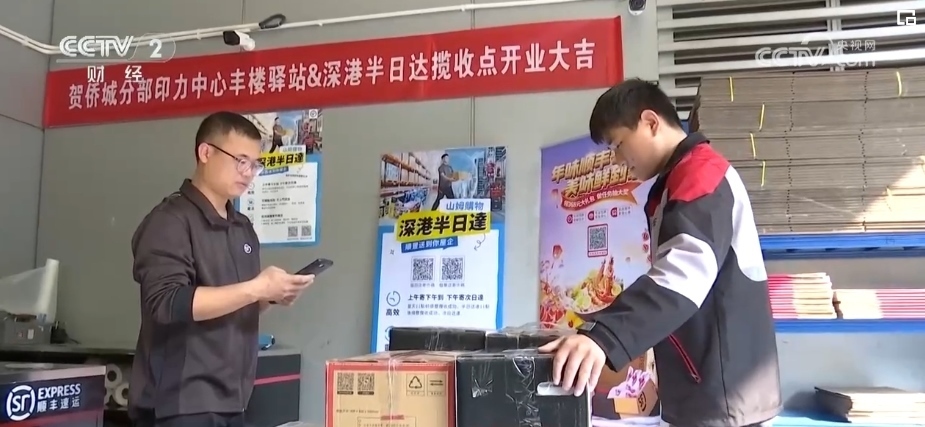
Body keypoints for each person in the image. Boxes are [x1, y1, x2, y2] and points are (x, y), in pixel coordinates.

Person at [540, 79, 781, 427]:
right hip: (707, 393)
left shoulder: (701, 174)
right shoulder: (674, 182)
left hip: (727, 397)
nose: (618, 160)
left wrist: (604, 338)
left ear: (650, 122)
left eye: (619, 145)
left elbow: (683, 273)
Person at [128, 112, 315, 427]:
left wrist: (269, 296)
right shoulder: (170, 221)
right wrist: (257, 288)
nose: (248, 173)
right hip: (181, 404)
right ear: (206, 152)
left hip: (233, 398)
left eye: (254, 165)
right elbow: (167, 302)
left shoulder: (242, 228)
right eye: (240, 161)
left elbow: (235, 301)